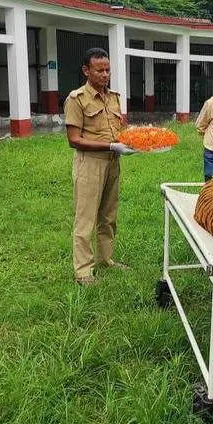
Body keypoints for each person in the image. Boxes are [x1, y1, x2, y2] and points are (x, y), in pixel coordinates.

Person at [64, 47, 136, 286]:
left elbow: (120, 129)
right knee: (86, 218)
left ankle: (106, 260)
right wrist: (111, 145)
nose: (105, 75)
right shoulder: (77, 99)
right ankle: (83, 271)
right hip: (90, 164)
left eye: (108, 70)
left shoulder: (114, 97)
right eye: (100, 70)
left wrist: (134, 140)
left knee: (109, 215)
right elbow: (74, 140)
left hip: (113, 162)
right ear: (86, 71)